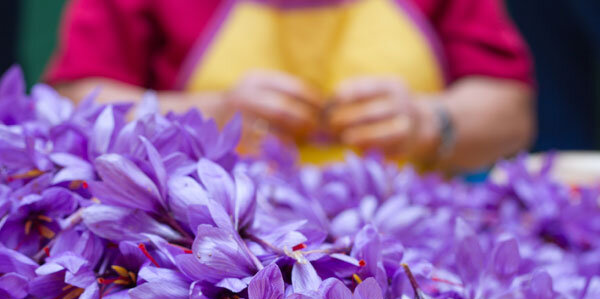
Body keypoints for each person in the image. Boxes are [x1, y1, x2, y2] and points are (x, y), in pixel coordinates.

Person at [46, 0, 535, 172]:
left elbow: (511, 111)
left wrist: (431, 123)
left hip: (411, 256)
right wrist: (199, 117)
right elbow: (69, 107)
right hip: (203, 264)